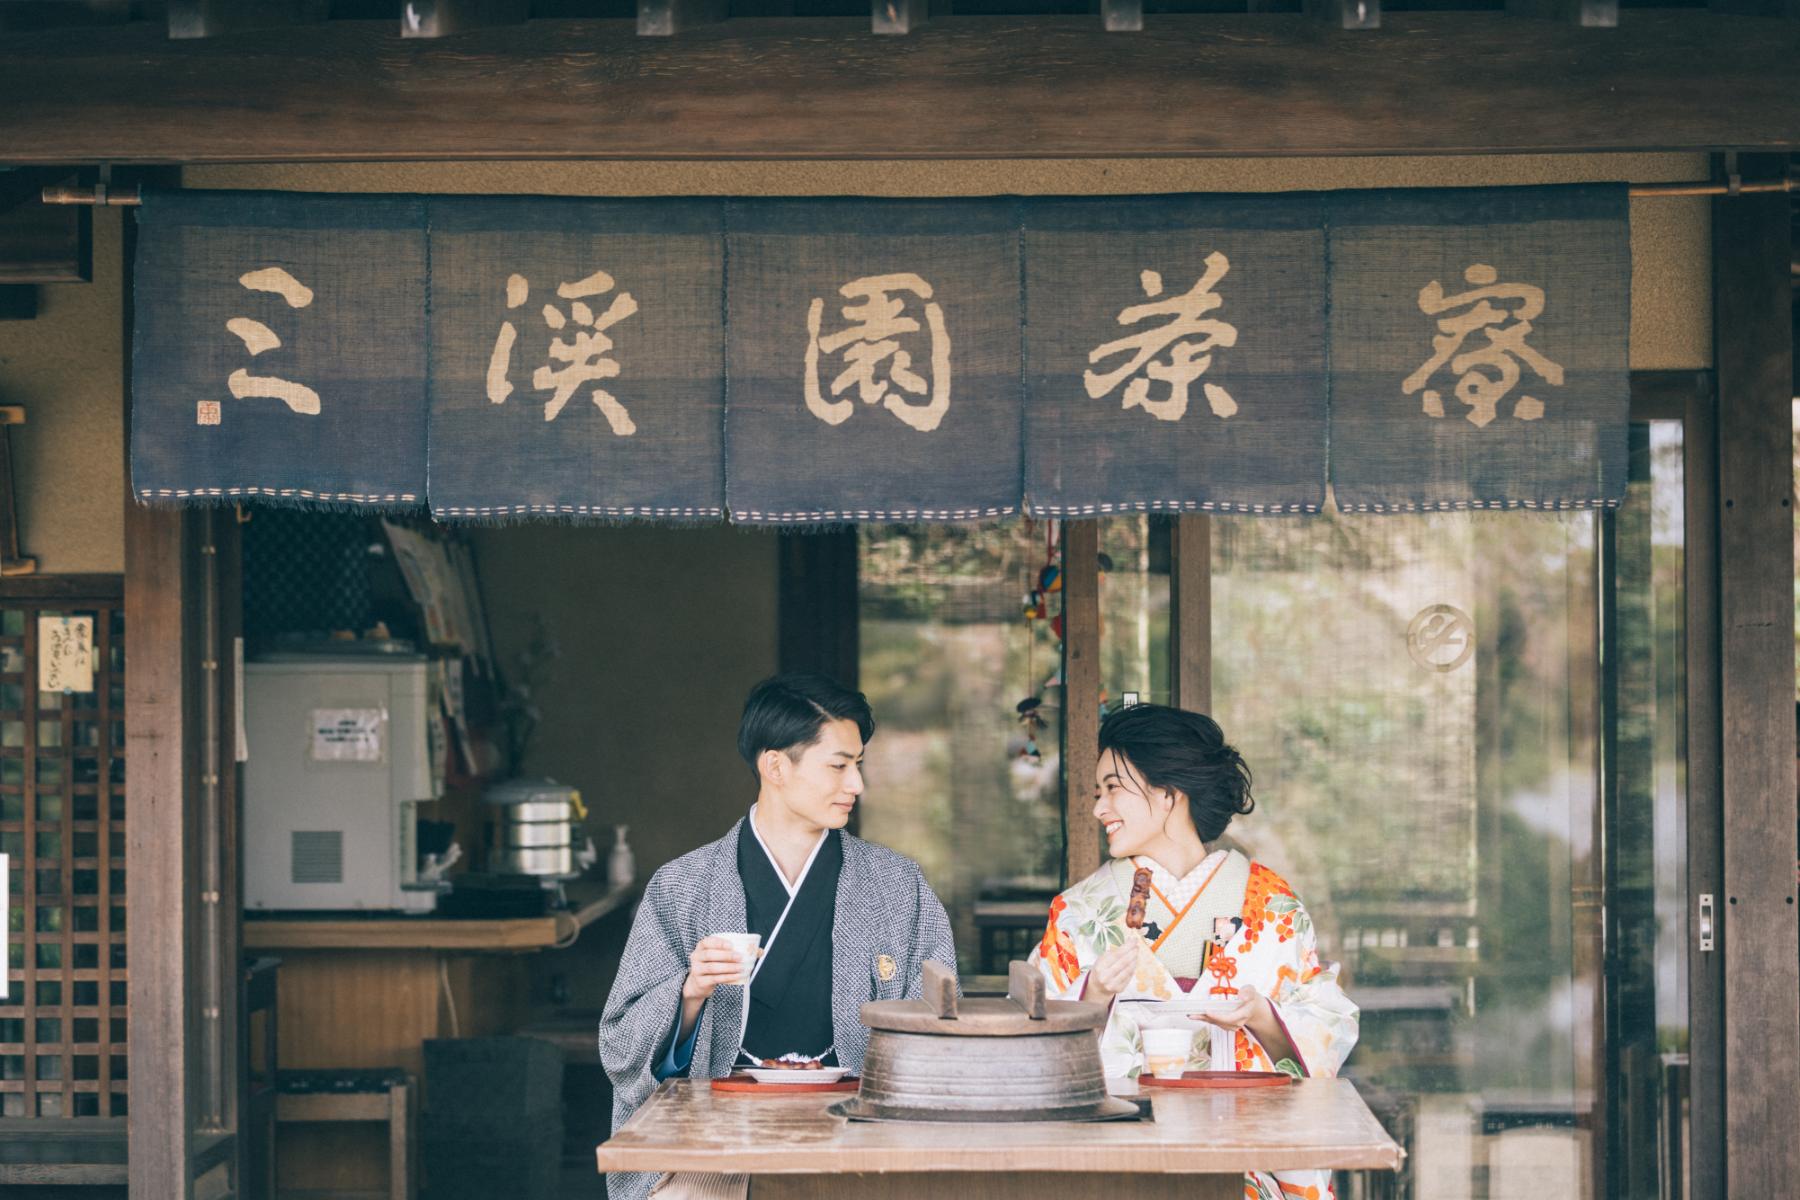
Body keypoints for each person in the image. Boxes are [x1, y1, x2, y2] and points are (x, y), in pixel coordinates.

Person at [599, 673, 957, 1200]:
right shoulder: (683, 886)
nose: (856, 785)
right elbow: (620, 1044)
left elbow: (943, 1017)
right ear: (775, 767)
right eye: (838, 766)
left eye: (858, 765)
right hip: (715, 1138)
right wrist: (688, 992)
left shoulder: (897, 885)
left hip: (861, 1135)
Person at [1029, 704, 1359, 1200]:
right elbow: (1034, 1046)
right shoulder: (1080, 911)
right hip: (1120, 1165)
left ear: (1168, 794)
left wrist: (1265, 1017)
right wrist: (1091, 998)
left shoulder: (1271, 906)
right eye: (1099, 792)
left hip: (1243, 1158)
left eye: (1114, 788)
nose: (1099, 808)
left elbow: (1325, 1018)